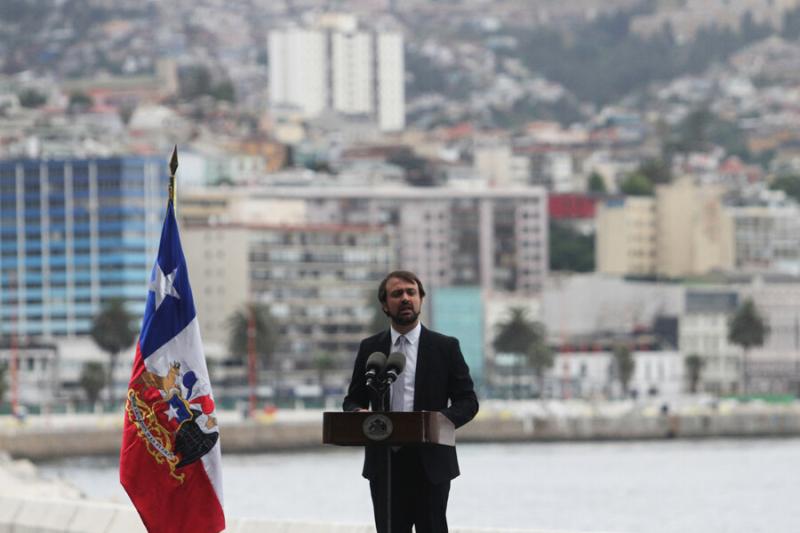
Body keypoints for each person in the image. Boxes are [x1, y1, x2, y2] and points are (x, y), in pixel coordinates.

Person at [343, 270, 479, 533]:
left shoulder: (445, 347)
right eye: (397, 294)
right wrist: (357, 411)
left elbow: (468, 401)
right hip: (385, 466)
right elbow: (353, 399)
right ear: (385, 304)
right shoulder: (370, 348)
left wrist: (438, 421)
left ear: (421, 299)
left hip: (431, 464)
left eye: (411, 292)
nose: (405, 298)